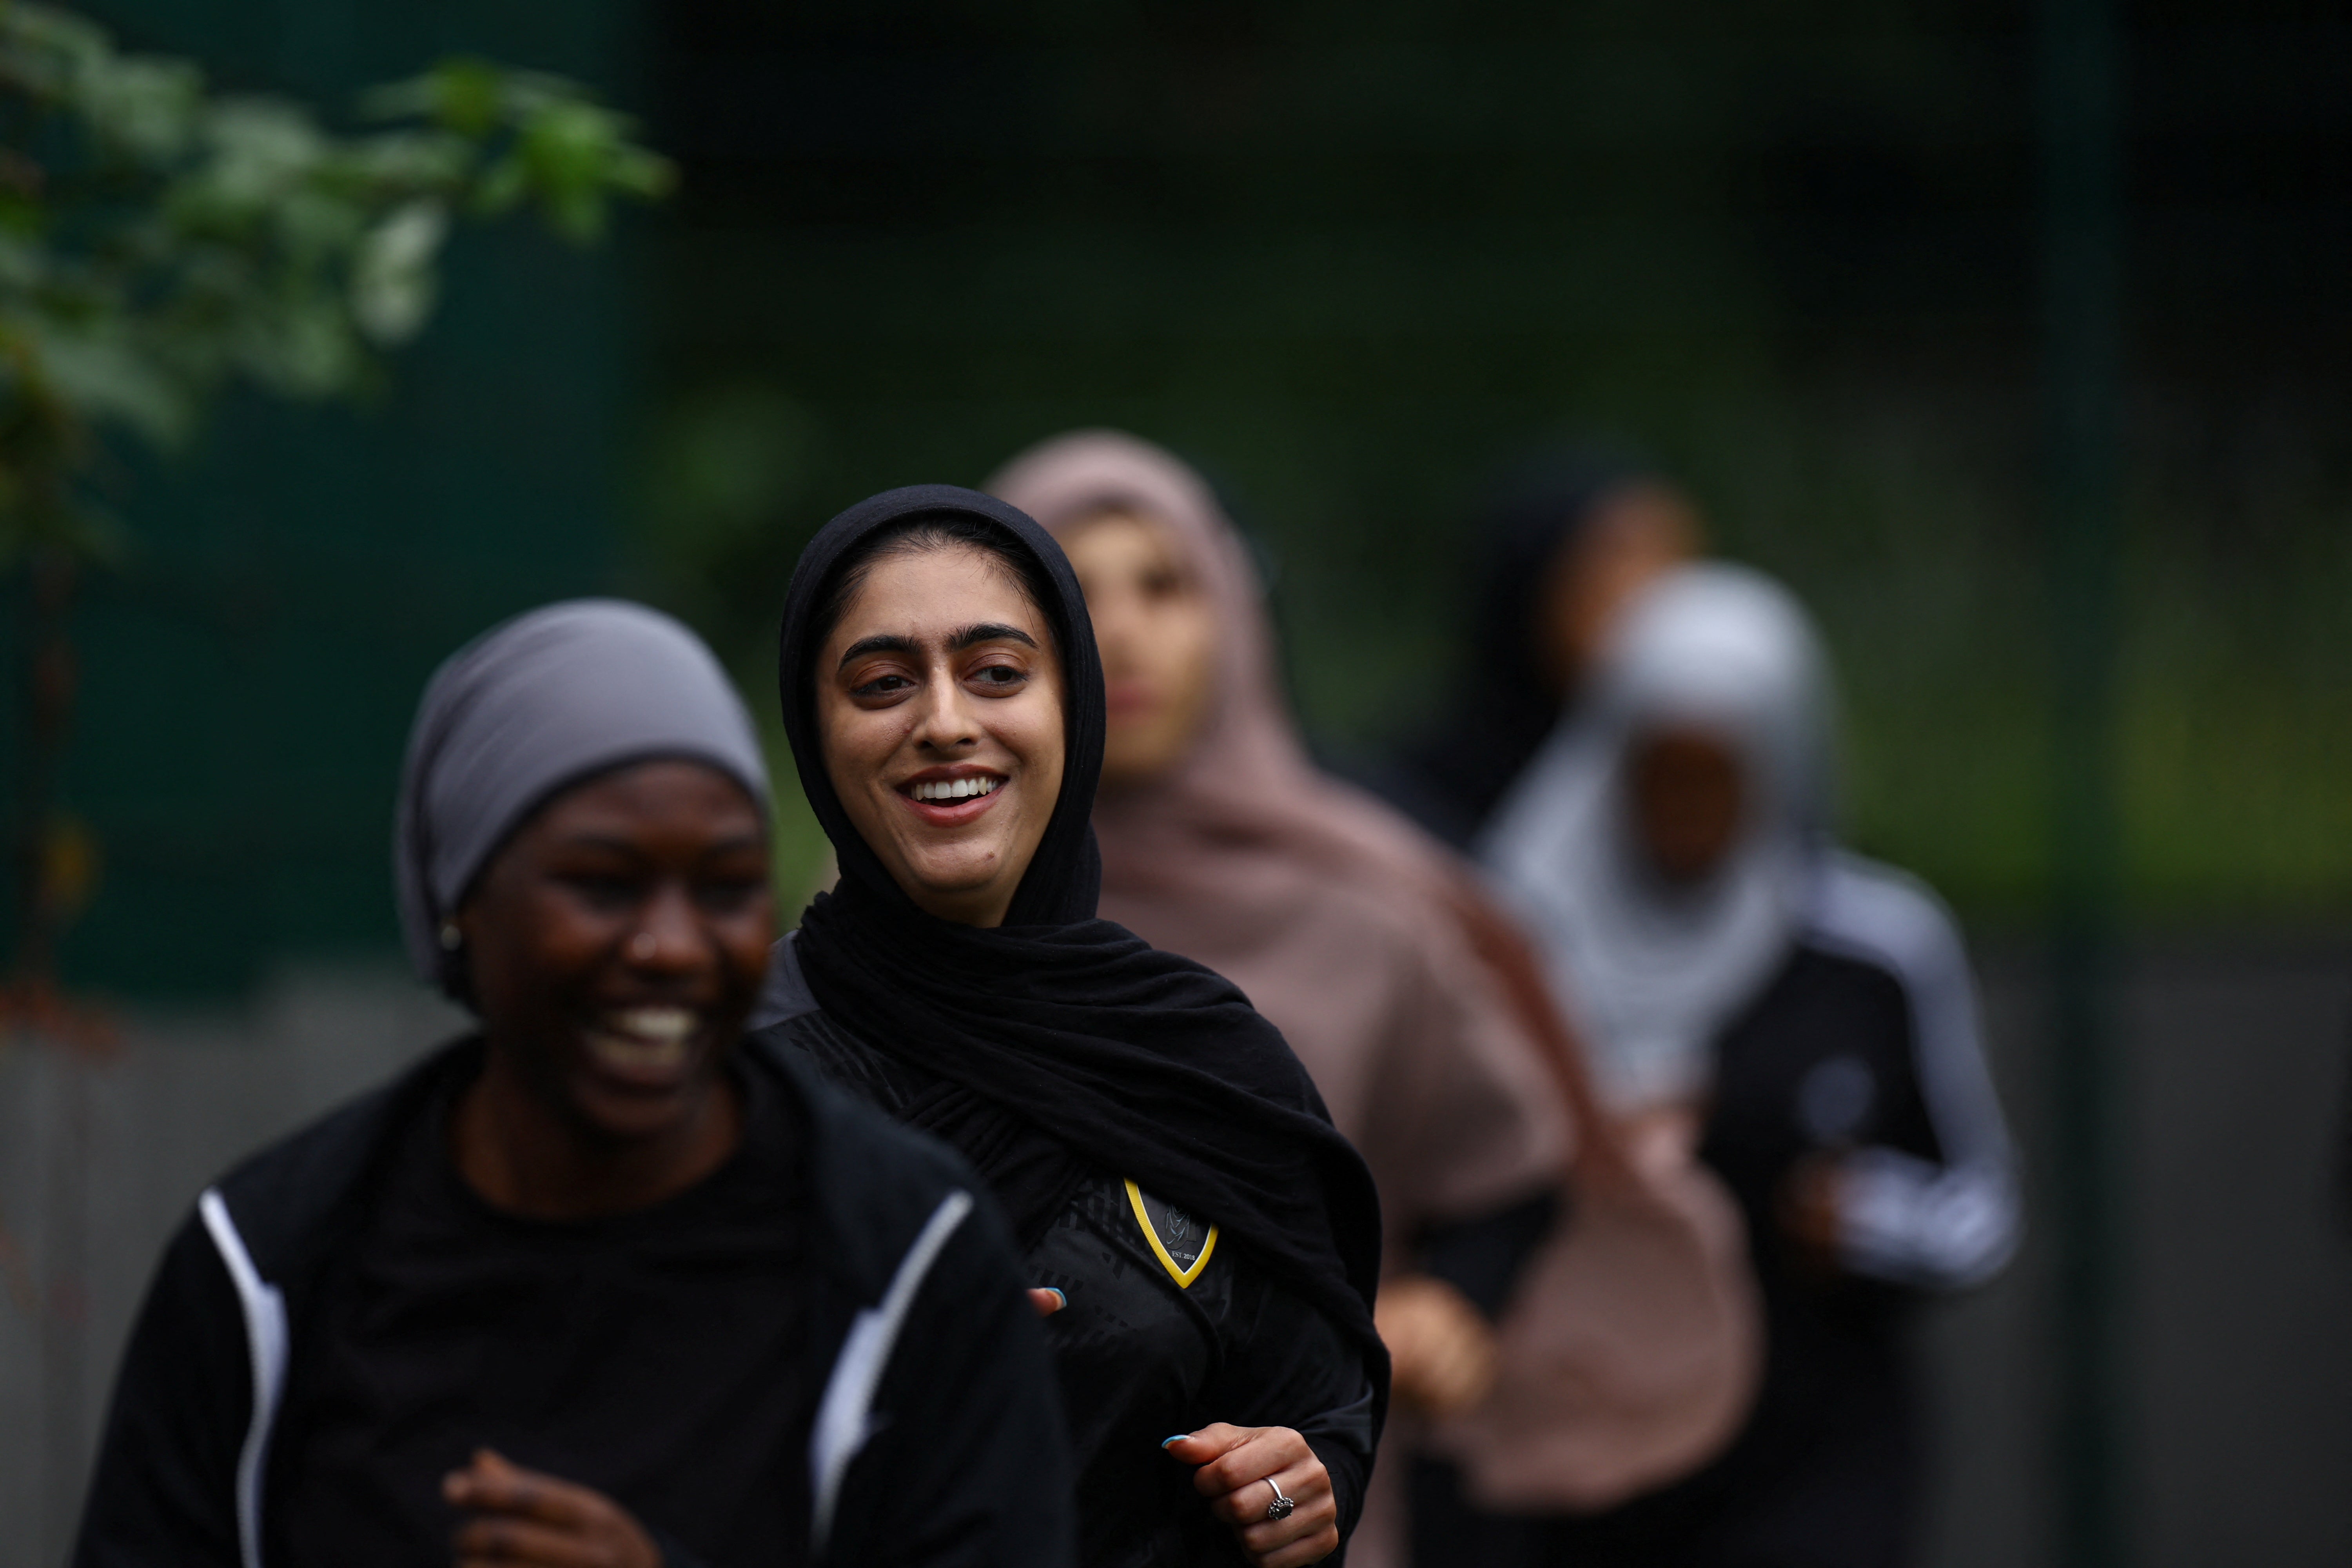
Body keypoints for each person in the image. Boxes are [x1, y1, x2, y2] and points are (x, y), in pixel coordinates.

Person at [76, 601, 1073, 1568]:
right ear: (463, 897)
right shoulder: (269, 1270)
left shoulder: (910, 1260)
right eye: (603, 883)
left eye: (725, 886)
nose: (671, 947)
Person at [987, 432, 1757, 1568]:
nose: (1126, 630)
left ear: (1236, 616)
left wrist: (1455, 1305)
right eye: (1071, 588)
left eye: (1167, 585)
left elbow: (1518, 1162)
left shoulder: (1369, 908)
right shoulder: (928, 903)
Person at [749, 484, 1390, 1568]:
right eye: (884, 683)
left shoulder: (1208, 1067)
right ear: (816, 732)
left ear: (1074, 708)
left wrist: (1299, 1483)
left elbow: (1318, 1409)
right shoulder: (733, 1077)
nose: (945, 721)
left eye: (997, 674)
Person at [1481, 564, 2022, 1567]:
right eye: (1660, 770)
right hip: (1591, 1454)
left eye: (1717, 773)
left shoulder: (1873, 950)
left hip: (1815, 1456)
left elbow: (1981, 1204)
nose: (1685, 807)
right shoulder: (1527, 941)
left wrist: (1864, 1217)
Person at [1374, 452, 1702, 853]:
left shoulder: (1704, 795)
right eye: (1616, 560)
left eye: (1676, 560)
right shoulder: (1404, 805)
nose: (1660, 596)